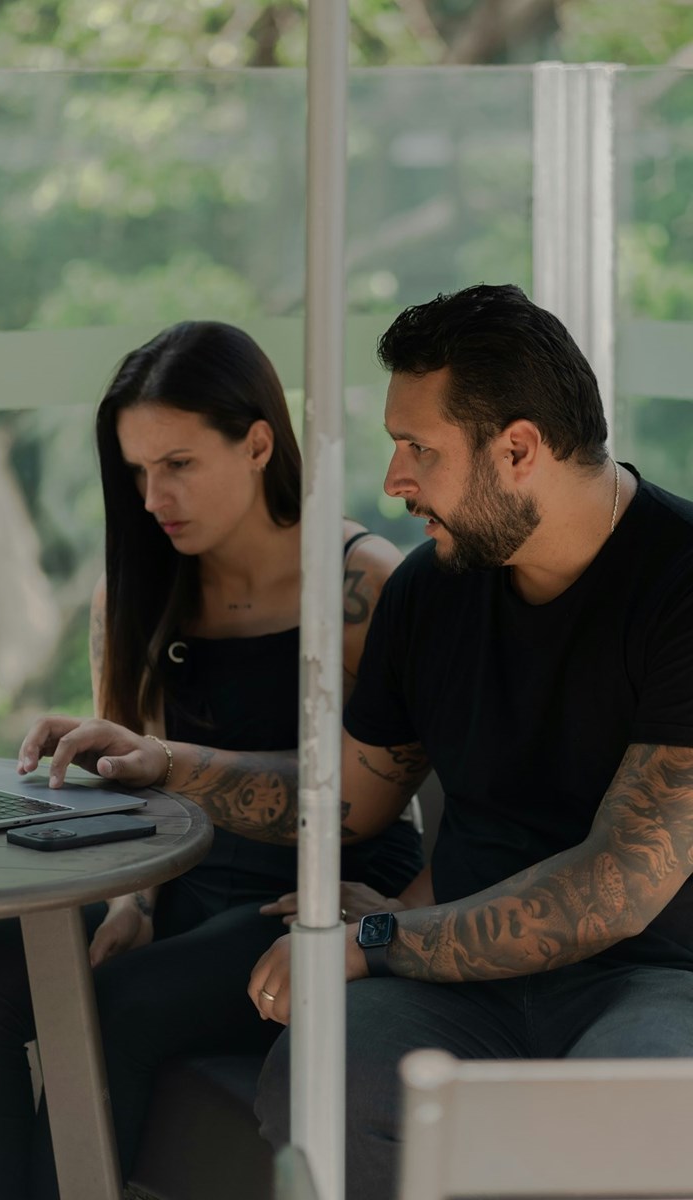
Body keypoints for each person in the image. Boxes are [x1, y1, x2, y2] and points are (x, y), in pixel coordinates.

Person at [0, 320, 423, 1200]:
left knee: (120, 1006)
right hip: (181, 880)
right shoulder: (136, 586)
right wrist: (133, 897)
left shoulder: (364, 586)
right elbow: (137, 784)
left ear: (259, 442)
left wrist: (167, 763)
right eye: (137, 470)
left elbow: (359, 807)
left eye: (180, 464)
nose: (155, 495)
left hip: (311, 897)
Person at [247, 283, 693, 1200]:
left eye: (418, 448)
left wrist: (380, 934)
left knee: (629, 1115)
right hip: (464, 978)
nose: (392, 480)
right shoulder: (431, 588)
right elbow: (346, 800)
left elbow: (615, 893)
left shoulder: (681, 584)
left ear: (519, 448)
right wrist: (159, 767)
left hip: (654, 978)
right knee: (320, 1072)